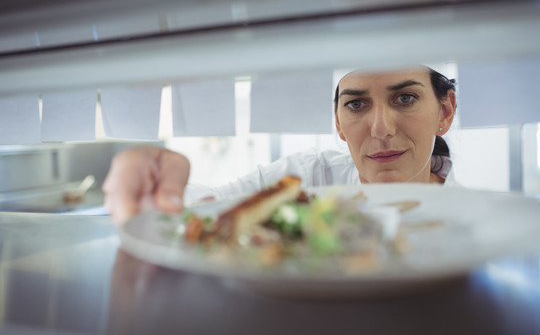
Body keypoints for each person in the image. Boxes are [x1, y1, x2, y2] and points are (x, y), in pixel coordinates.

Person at [103, 66, 456, 225]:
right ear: (338, 124)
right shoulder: (307, 178)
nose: (380, 129)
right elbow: (211, 207)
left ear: (445, 110)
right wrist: (157, 182)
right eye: (356, 104)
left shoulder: (480, 223)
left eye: (405, 98)